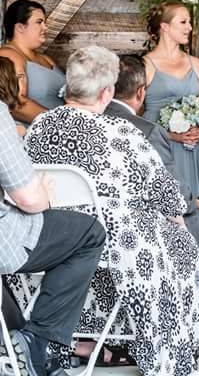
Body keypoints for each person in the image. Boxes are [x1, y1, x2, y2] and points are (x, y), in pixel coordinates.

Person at [19, 46, 199, 375]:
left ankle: (70, 340)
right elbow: (168, 197)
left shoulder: (39, 128)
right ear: (107, 92)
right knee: (180, 241)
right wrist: (176, 217)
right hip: (119, 248)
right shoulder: (122, 133)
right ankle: (169, 357)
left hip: (53, 243)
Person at [105, 55, 199, 356]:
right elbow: (170, 193)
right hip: (149, 230)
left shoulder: (90, 124)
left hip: (98, 231)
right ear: (141, 92)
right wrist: (197, 205)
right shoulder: (146, 132)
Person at [0, 95, 106, 376]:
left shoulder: (39, 127)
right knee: (89, 233)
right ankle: (37, 340)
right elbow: (29, 198)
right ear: (106, 93)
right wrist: (44, 196)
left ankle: (15, 337)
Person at [143, 1, 199, 198]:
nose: (190, 28)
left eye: (189, 22)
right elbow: (134, 117)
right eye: (183, 22)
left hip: (193, 149)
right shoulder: (146, 66)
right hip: (161, 149)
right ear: (165, 27)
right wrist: (171, 136)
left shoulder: (197, 65)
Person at [0, 0, 65, 125]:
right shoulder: (8, 55)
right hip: (37, 133)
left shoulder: (46, 59)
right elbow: (15, 104)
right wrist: (60, 124)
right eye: (39, 22)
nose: (45, 27)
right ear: (20, 27)